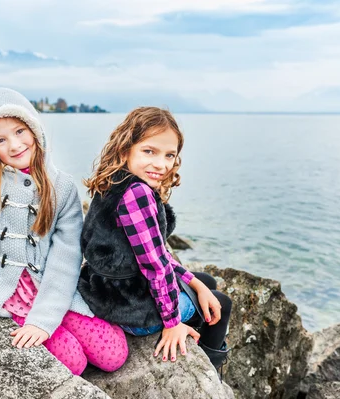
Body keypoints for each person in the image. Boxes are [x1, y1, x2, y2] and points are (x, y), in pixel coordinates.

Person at [0, 87, 128, 375]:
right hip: (7, 293)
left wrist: (45, 318)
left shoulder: (62, 187)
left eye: (19, 131)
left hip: (52, 289)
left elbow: (66, 257)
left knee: (113, 354)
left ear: (33, 127)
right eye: (0, 140)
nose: (15, 145)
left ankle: (55, 319)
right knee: (72, 363)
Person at [78, 107, 231, 370]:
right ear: (126, 149)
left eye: (169, 155)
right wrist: (171, 323)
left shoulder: (114, 179)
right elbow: (155, 265)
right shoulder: (137, 194)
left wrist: (197, 284)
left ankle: (193, 325)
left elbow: (150, 252)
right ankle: (210, 371)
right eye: (149, 151)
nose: (161, 164)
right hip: (130, 307)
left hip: (102, 289)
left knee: (205, 282)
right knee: (223, 304)